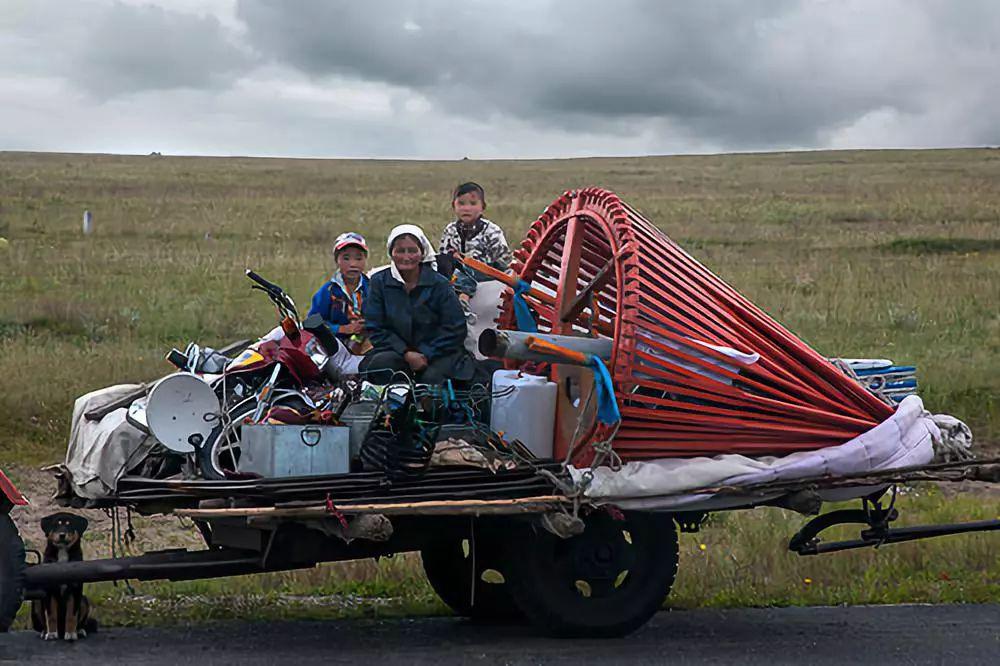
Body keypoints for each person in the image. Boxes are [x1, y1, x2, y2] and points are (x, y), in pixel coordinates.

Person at [361, 224, 477, 385]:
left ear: (422, 253)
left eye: (412, 250)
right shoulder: (379, 282)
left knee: (432, 381)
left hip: (438, 352)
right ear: (391, 253)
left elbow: (455, 328)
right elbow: (375, 326)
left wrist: (425, 353)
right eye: (400, 251)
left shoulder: (439, 284)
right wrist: (406, 353)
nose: (406, 257)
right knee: (381, 366)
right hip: (397, 352)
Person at [438, 182, 512, 305]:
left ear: (482, 207)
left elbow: (505, 261)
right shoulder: (450, 230)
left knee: (465, 270)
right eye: (461, 203)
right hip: (455, 272)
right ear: (454, 206)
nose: (466, 208)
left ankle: (463, 302)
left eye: (473, 204)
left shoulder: (492, 231)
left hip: (486, 272)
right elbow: (443, 255)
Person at [308, 231, 370, 352]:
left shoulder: (372, 288)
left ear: (365, 260)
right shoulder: (328, 291)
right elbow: (312, 322)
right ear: (337, 260)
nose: (353, 264)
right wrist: (342, 329)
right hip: (334, 346)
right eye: (346, 258)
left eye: (358, 258)